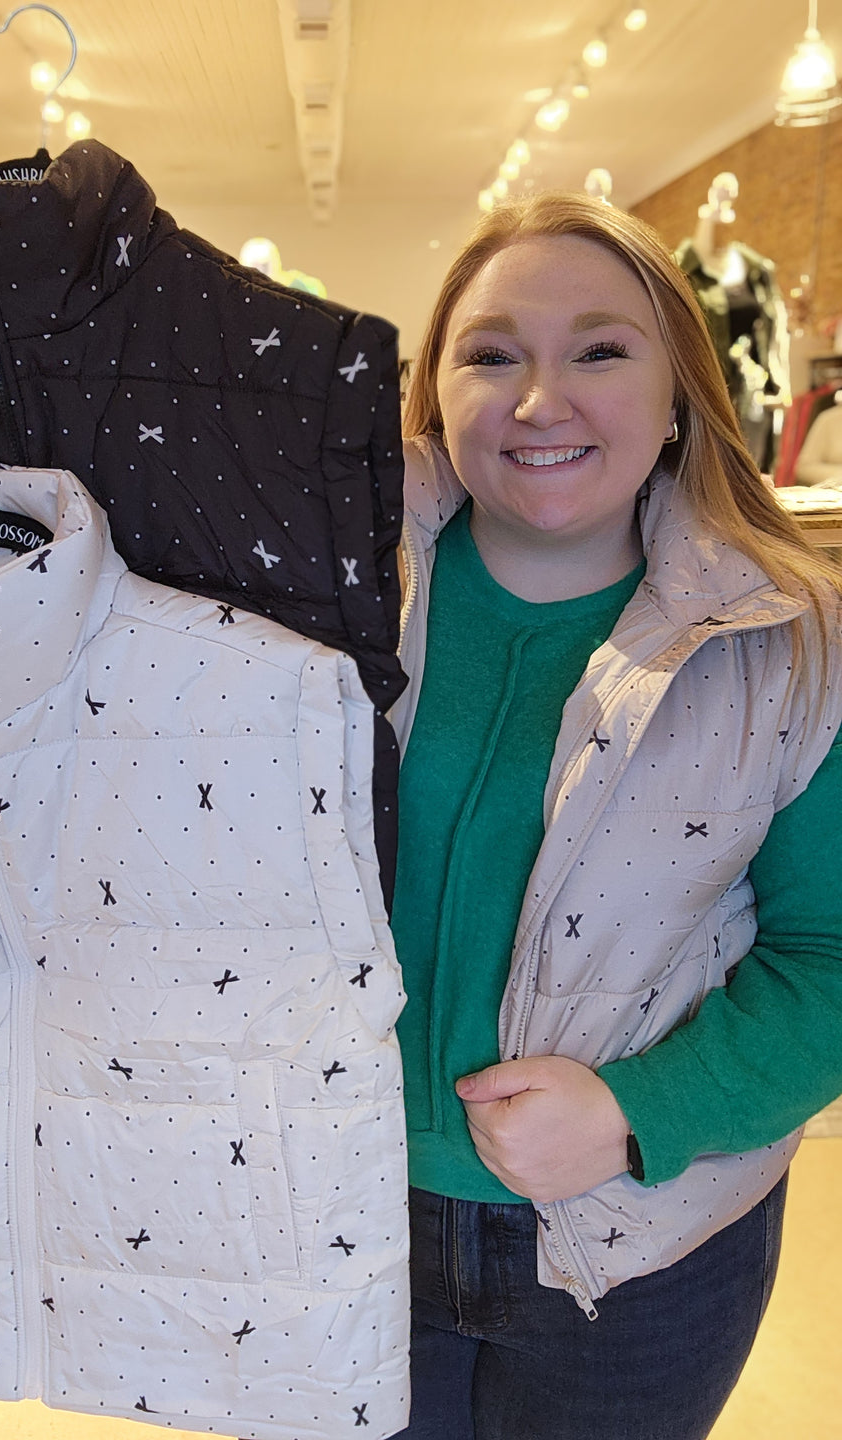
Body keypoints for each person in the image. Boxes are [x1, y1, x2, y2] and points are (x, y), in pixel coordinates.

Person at [389, 193, 842, 1440]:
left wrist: (642, 1110)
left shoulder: (793, 644)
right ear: (436, 398)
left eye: (598, 349)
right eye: (492, 355)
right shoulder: (325, 597)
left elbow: (832, 954)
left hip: (641, 1252)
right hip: (339, 1213)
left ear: (679, 389)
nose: (541, 401)